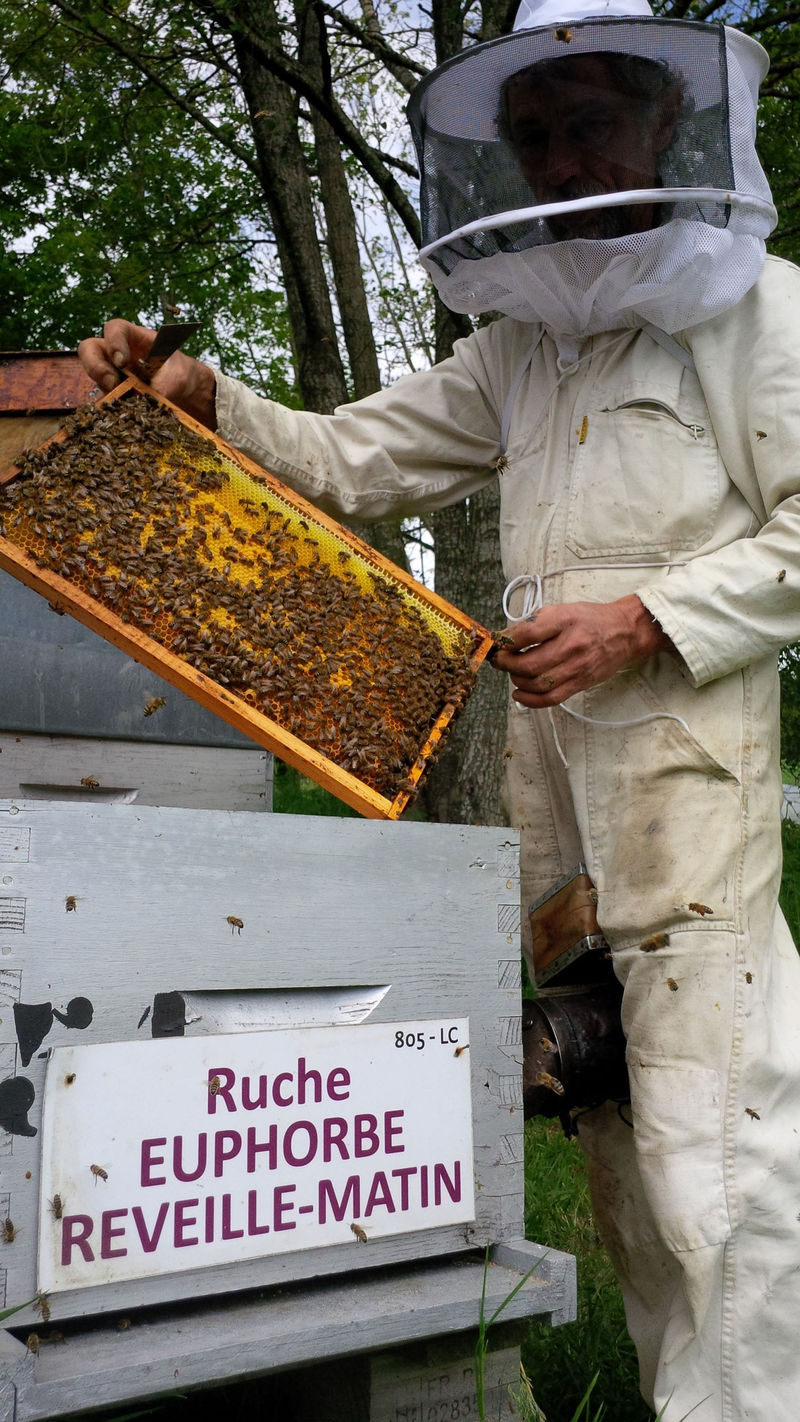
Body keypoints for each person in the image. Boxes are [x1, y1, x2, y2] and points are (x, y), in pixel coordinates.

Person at [79, 0, 800, 1416]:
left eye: (588, 124)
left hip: (691, 807)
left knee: (719, 1152)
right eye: (534, 138)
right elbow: (350, 459)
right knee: (619, 1146)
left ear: (667, 119)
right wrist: (209, 399)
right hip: (559, 817)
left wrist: (645, 617)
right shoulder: (521, 345)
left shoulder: (759, 310)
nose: (559, 160)